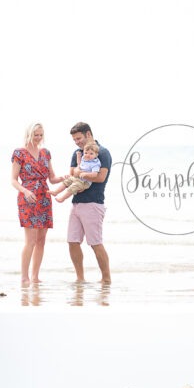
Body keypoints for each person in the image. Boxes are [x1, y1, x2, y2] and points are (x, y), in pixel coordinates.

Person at [11, 123, 63, 285]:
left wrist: (64, 178)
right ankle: (24, 277)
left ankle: (35, 276)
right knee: (30, 241)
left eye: (41, 135)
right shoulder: (19, 153)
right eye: (36, 135)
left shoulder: (45, 153)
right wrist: (25, 191)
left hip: (44, 198)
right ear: (29, 134)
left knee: (41, 240)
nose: (39, 138)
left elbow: (52, 178)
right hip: (28, 198)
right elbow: (13, 180)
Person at [67, 122, 112, 284]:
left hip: (93, 203)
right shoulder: (77, 153)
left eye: (79, 138)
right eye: (74, 140)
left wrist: (80, 173)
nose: (77, 142)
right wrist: (79, 173)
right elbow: (71, 173)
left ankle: (106, 279)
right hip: (76, 203)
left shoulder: (103, 153)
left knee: (95, 243)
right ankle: (80, 279)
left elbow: (100, 177)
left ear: (88, 134)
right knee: (72, 241)